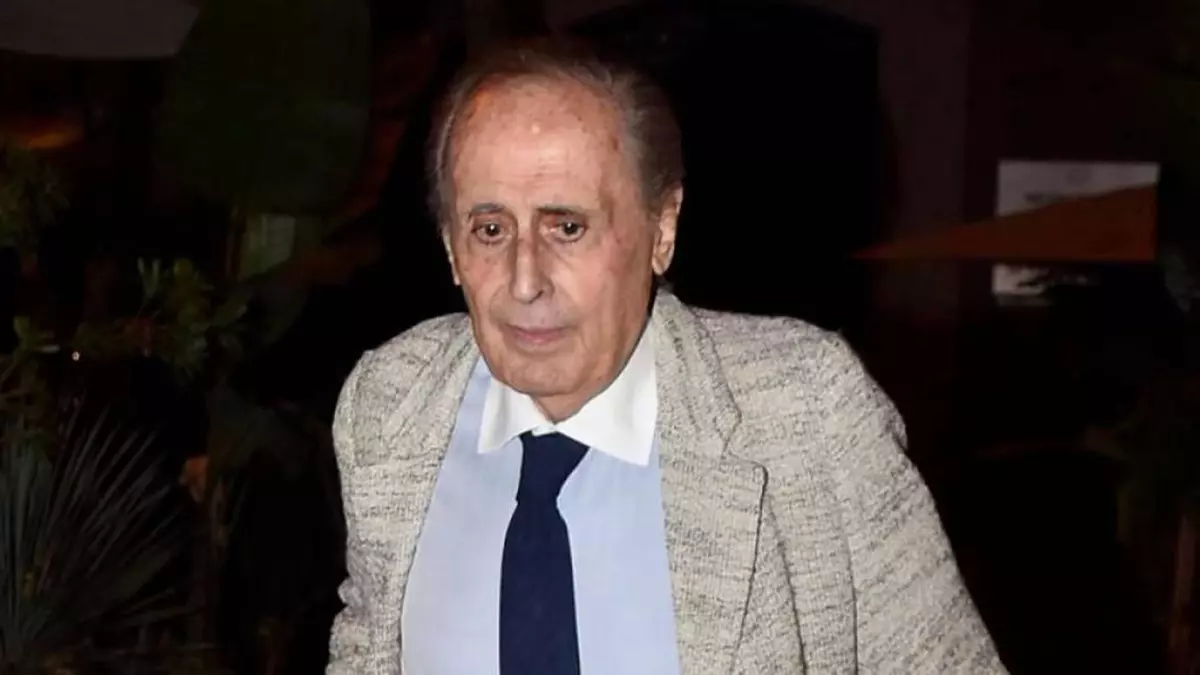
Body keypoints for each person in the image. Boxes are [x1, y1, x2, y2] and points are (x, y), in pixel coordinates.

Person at [327, 37, 1006, 675]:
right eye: (490, 229)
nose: (525, 279)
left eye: (568, 227)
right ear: (451, 247)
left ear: (662, 229)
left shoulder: (803, 410)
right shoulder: (389, 405)